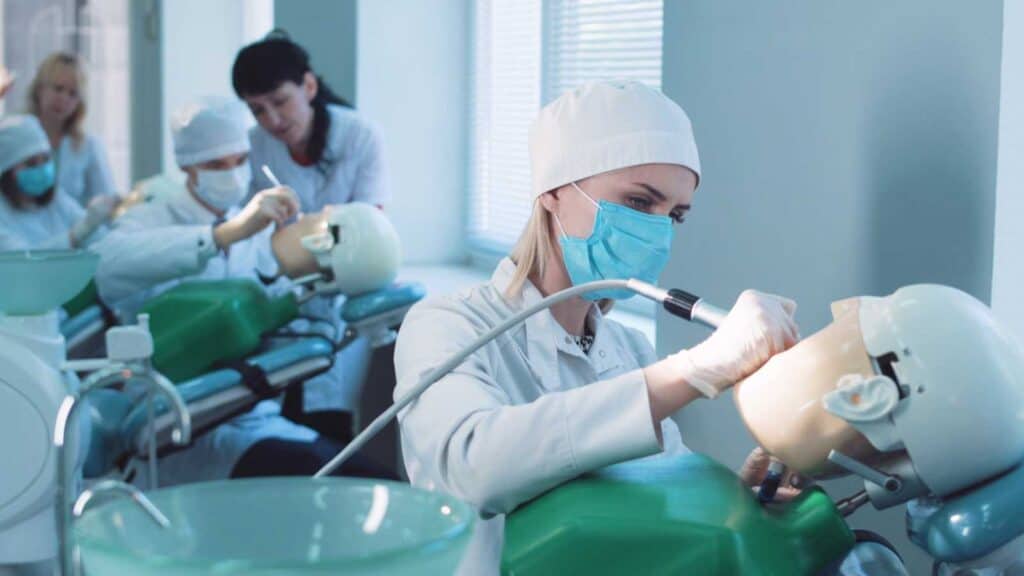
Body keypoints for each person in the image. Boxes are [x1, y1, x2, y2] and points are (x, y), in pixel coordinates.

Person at [394, 81, 904, 575]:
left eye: (675, 215)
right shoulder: (449, 324)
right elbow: (472, 466)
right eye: (639, 202)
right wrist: (692, 370)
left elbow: (644, 506)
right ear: (552, 191)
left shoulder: (626, 349)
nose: (658, 229)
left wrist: (728, 497)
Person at [92, 97, 388, 485]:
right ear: (186, 165)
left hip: (252, 417)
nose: (232, 173)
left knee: (365, 479)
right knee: (338, 482)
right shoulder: (153, 218)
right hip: (175, 426)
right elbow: (103, 265)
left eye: (239, 160)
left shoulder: (261, 236)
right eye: (216, 164)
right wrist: (223, 235)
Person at [230, 32, 388, 443]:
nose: (272, 121)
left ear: (309, 86)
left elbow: (367, 229)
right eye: (257, 110)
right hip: (280, 300)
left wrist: (295, 240)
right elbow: (250, 233)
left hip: (343, 301)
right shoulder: (254, 146)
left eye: (279, 102)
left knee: (330, 422)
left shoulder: (360, 136)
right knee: (276, 422)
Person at [0, 114, 114, 250]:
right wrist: (79, 232)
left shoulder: (56, 200)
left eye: (46, 159)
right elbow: (25, 262)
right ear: (6, 170)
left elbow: (101, 241)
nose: (41, 168)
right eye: (31, 163)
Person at [27, 52, 117, 207]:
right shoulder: (15, 138)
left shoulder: (89, 146)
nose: (63, 98)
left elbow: (106, 204)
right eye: (58, 88)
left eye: (72, 94)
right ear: (40, 89)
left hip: (74, 229)